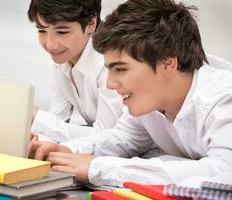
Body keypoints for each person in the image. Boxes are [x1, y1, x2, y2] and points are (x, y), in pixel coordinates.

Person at [29, 0, 232, 187]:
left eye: (121, 69)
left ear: (168, 63)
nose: (109, 84)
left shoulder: (223, 98)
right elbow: (123, 137)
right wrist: (67, 152)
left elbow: (224, 171)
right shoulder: (149, 100)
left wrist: (97, 168)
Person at [27, 0, 123, 143]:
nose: (50, 44)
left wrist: (36, 116)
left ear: (91, 24)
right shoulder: (65, 60)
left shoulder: (109, 64)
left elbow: (108, 138)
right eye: (42, 30)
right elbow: (57, 120)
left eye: (62, 32)